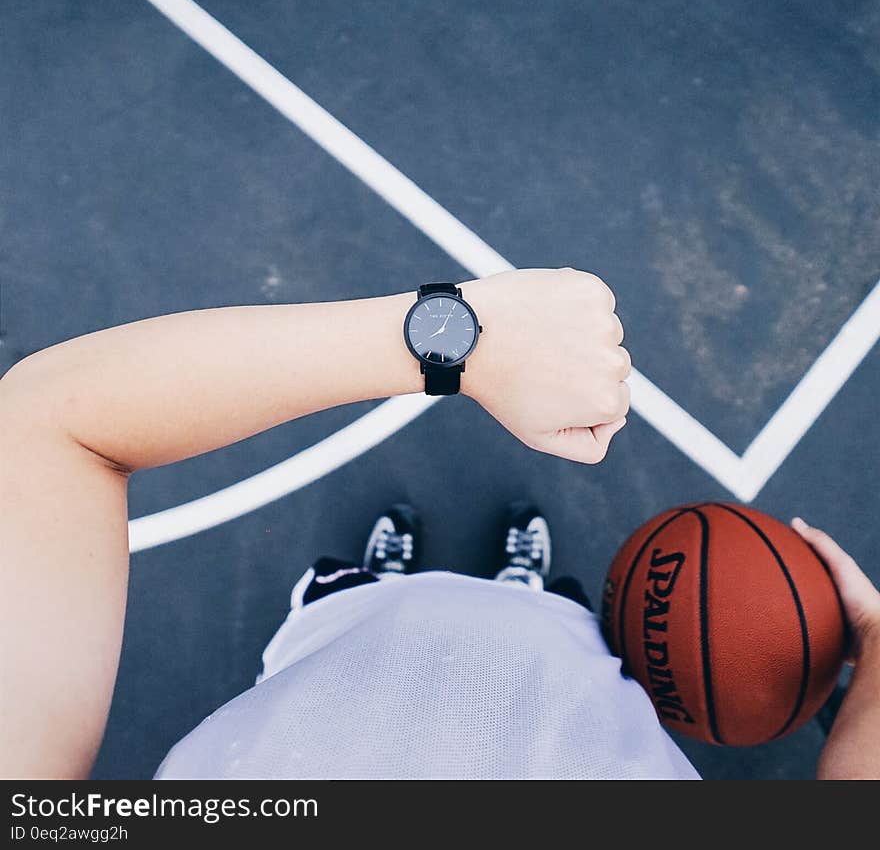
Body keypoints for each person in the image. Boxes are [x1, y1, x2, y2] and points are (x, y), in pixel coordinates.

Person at [1, 268, 877, 779]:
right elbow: (49, 428)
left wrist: (460, 339)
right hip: (561, 666)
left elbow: (48, 428)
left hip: (345, 649)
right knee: (543, 629)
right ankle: (520, 594)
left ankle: (390, 586)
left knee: (359, 624)